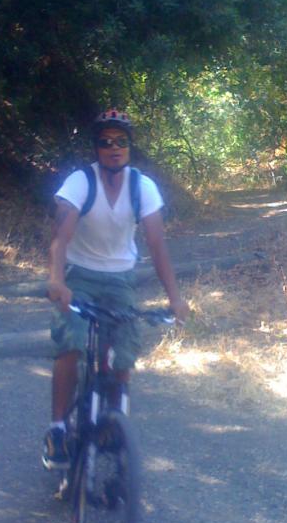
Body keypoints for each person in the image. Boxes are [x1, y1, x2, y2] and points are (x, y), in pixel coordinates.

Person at [44, 109, 190, 465]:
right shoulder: (81, 182)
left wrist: (175, 298)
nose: (114, 148)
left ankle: (114, 420)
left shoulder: (143, 187)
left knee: (124, 351)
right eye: (106, 142)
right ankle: (58, 428)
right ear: (96, 148)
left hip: (121, 279)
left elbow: (157, 244)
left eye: (121, 141)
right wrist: (57, 281)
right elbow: (60, 238)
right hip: (80, 276)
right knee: (72, 343)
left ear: (130, 147)